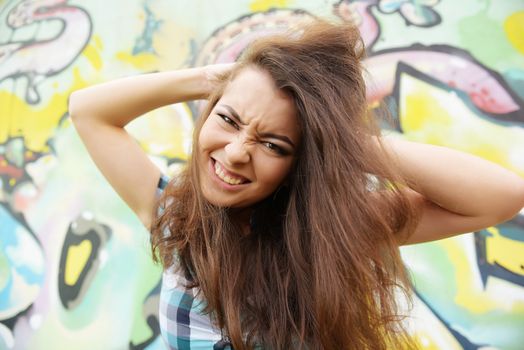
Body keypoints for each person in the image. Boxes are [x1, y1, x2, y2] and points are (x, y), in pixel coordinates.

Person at [69, 19, 524, 350]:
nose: (235, 153)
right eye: (227, 119)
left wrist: (339, 143)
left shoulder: (334, 231)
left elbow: (500, 197)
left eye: (273, 144)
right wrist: (220, 79)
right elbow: (88, 110)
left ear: (301, 161)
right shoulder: (174, 219)